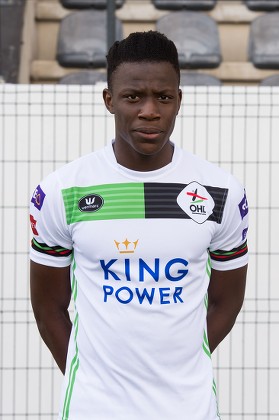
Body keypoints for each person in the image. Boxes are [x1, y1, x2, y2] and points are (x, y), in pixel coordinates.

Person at [30, 31, 248, 420]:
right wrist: (93, 379)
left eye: (163, 97)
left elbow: (227, 303)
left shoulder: (220, 192)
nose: (150, 110)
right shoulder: (62, 191)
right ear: (109, 100)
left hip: (190, 407)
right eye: (134, 97)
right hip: (94, 408)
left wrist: (178, 363)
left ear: (179, 101)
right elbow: (48, 308)